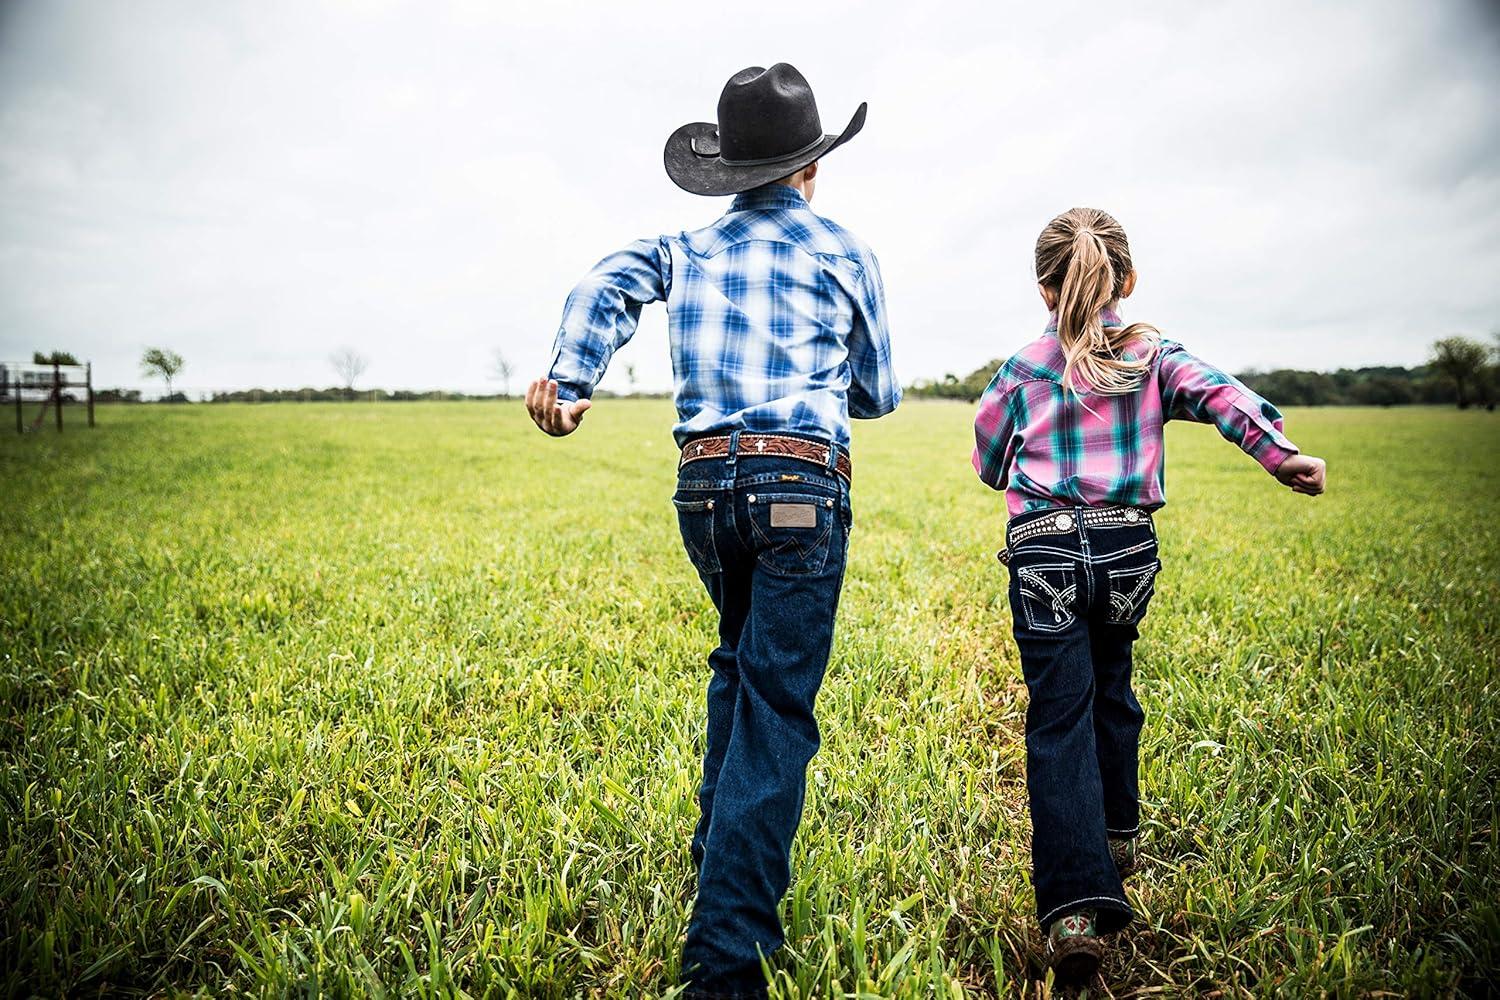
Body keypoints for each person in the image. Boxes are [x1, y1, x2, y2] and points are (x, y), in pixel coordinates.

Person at [525, 63, 900, 998]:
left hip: (704, 491)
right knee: (776, 707)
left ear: (728, 171)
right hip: (799, 486)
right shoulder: (845, 252)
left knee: (739, 669)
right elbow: (877, 393)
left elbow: (605, 280)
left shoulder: (683, 247)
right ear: (812, 167)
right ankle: (727, 961)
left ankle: (716, 861)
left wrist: (570, 381)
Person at [971, 207, 1326, 984]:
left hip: (1044, 550)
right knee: (1114, 688)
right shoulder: (1152, 355)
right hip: (1127, 550)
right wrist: (1281, 455)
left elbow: (989, 461)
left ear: (1043, 289)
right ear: (1127, 279)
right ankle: (1119, 833)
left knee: (1058, 718)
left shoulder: (1023, 368)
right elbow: (1221, 396)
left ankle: (1074, 912)